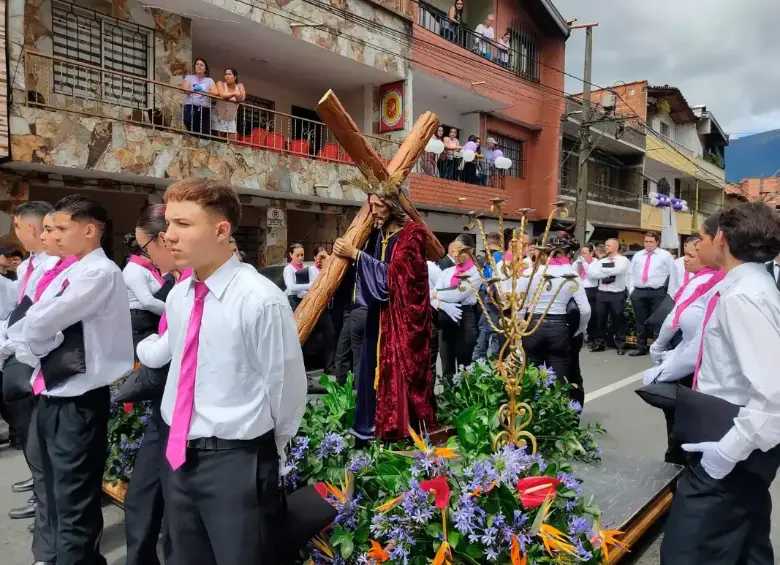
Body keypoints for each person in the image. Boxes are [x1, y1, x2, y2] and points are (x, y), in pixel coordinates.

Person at [138, 178, 307, 565]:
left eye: (184, 224)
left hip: (236, 462)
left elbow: (286, 390)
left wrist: (266, 455)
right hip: (179, 456)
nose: (169, 236)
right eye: (169, 223)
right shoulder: (181, 295)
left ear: (221, 230)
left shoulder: (260, 300)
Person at [8, 195, 134, 565]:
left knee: (73, 496)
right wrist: (31, 331)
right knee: (55, 490)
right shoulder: (69, 269)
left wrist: (30, 332)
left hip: (78, 399)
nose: (55, 237)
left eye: (62, 228)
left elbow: (42, 320)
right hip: (52, 390)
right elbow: (30, 314)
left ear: (89, 230)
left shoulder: (99, 272)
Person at [660, 201, 780, 565]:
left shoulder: (744, 296)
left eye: (701, 237)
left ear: (723, 239)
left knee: (687, 553)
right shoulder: (749, 287)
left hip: (732, 445)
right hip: (739, 442)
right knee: (745, 545)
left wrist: (724, 455)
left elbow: (773, 392)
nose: (696, 245)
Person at [332, 188, 434, 441]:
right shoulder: (379, 234)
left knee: (398, 370)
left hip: (402, 321)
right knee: (370, 367)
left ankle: (399, 428)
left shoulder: (413, 234)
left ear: (393, 205)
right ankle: (372, 423)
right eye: (371, 204)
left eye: (378, 205)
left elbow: (398, 278)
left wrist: (356, 254)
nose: (373, 210)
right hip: (378, 316)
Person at [123, 203, 178, 565]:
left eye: (145, 249)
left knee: (175, 506)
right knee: (142, 495)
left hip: (187, 409)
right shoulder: (176, 282)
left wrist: (145, 347)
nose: (148, 260)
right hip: (167, 404)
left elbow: (163, 351)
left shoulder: (190, 285)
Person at [642, 232, 722, 465]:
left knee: (679, 430)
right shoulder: (707, 278)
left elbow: (683, 326)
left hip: (691, 361)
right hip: (688, 353)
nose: (684, 260)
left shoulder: (710, 281)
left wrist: (660, 366)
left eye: (691, 254)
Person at [3, 202, 57, 538]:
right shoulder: (29, 267)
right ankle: (38, 482)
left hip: (31, 361)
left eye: (19, 228)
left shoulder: (51, 266)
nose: (17, 236)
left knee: (39, 440)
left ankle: (44, 495)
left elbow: (34, 318)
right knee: (28, 436)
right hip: (15, 351)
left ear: (32, 228)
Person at [512, 232, 590, 399]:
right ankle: (558, 418)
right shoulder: (570, 274)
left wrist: (518, 332)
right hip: (559, 327)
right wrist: (579, 330)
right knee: (560, 381)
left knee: (531, 377)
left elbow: (518, 306)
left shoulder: (528, 274)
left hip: (533, 326)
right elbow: (585, 310)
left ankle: (532, 418)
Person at [434, 233, 481, 383]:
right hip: (445, 319)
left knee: (464, 367)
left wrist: (437, 294)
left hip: (465, 318)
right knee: (447, 367)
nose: (455, 255)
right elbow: (430, 296)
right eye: (454, 251)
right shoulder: (448, 272)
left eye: (460, 250)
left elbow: (456, 295)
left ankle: (464, 402)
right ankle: (448, 403)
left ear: (470, 251)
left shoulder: (475, 273)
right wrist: (443, 304)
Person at [123, 208, 170, 352]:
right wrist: (173, 311)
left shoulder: (148, 269)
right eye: (147, 250)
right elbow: (147, 301)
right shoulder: (134, 270)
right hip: (141, 321)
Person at [627, 231, 674, 356]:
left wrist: (669, 294)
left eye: (651, 242)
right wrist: (632, 290)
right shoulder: (638, 255)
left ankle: (658, 348)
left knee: (658, 321)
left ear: (657, 242)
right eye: (646, 241)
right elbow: (630, 274)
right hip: (639, 292)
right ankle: (641, 347)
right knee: (640, 321)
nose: (648, 244)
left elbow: (672, 275)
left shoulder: (665, 256)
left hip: (657, 292)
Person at [587, 238, 630, 355]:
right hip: (602, 293)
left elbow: (619, 270)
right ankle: (599, 343)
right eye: (605, 245)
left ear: (616, 247)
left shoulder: (623, 260)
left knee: (618, 319)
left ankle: (620, 344)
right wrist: (608, 271)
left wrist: (603, 271)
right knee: (600, 319)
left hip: (617, 293)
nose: (606, 247)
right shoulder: (601, 260)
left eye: (609, 246)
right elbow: (592, 273)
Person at [473, 233, 505, 361]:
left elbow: (494, 279)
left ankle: (482, 362)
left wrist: (488, 287)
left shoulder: (497, 257)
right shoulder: (491, 257)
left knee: (488, 332)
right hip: (490, 297)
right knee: (490, 332)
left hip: (493, 299)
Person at [182, 58, 218, 136]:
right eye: (197, 64)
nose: (199, 66)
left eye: (201, 65)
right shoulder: (189, 78)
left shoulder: (209, 80)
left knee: (204, 131)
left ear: (205, 69)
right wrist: (193, 89)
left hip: (204, 109)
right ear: (194, 67)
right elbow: (185, 90)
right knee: (189, 123)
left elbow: (216, 93)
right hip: (190, 107)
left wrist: (204, 91)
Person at [573, 245, 599, 347]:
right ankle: (578, 334)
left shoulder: (596, 263)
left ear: (591, 253)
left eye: (585, 253)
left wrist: (585, 264)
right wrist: (579, 264)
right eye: (581, 253)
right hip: (580, 289)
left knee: (591, 314)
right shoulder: (577, 262)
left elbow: (593, 275)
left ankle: (591, 336)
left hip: (591, 289)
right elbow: (574, 274)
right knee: (578, 313)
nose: (582, 255)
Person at [212, 68, 245, 140]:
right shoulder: (220, 83)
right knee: (218, 142)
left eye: (229, 74)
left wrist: (236, 95)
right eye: (226, 74)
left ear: (235, 77)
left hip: (231, 119)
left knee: (232, 143)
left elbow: (241, 99)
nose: (227, 76)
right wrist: (235, 93)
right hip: (218, 117)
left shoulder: (239, 86)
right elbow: (223, 95)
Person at [283, 243, 310, 311]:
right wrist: (309, 286)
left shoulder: (307, 267)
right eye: (297, 255)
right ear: (291, 255)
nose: (300, 258)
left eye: (302, 255)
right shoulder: (289, 269)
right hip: (294, 300)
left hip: (307, 299)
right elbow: (291, 287)